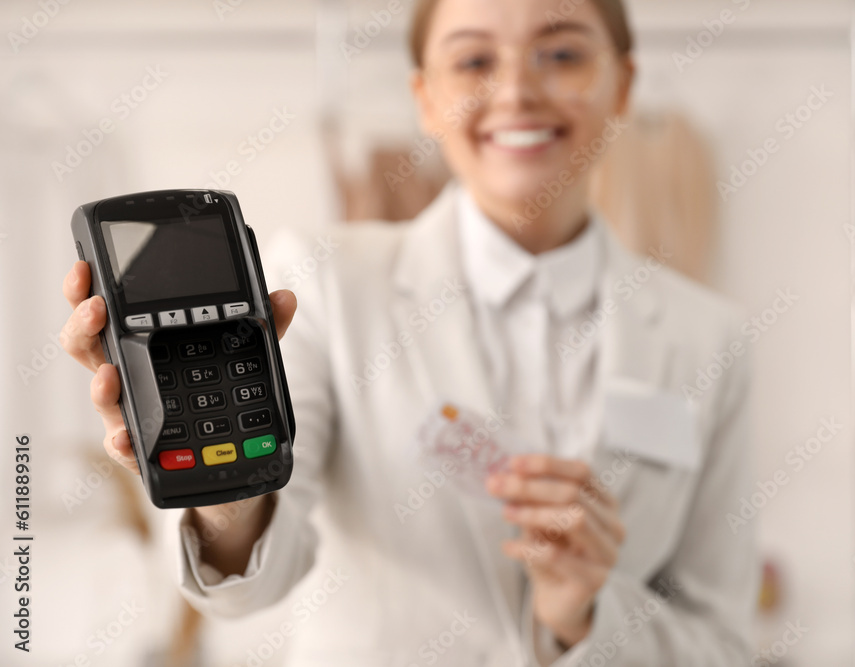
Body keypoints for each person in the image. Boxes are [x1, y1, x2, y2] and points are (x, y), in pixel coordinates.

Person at [60, 0, 757, 664]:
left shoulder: (711, 339)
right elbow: (253, 584)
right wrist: (220, 484)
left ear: (623, 84)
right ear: (425, 97)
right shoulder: (327, 281)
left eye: (563, 53)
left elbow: (722, 645)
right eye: (475, 61)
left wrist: (579, 619)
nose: (516, 91)